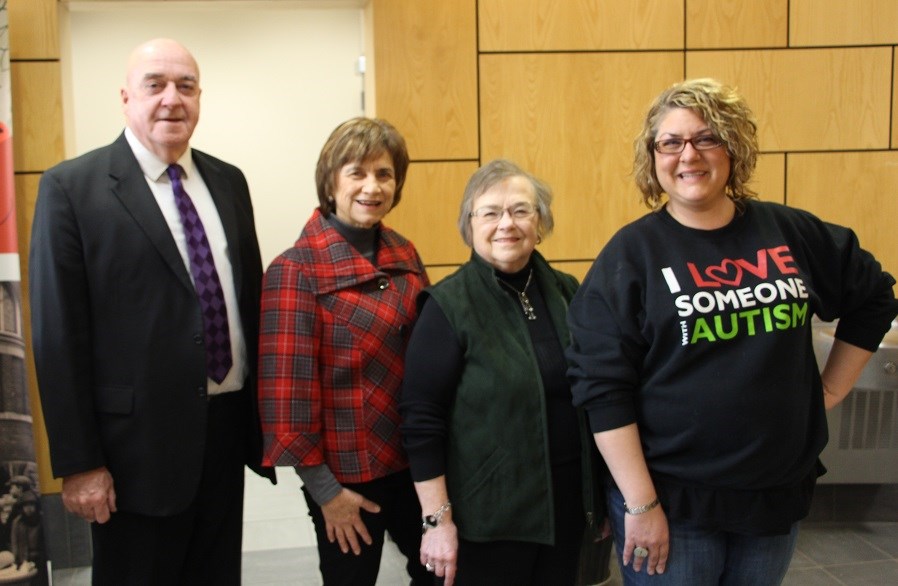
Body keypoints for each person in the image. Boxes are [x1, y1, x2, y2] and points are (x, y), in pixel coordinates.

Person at [566, 78, 898, 585]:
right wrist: (641, 503)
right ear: (653, 158)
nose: (688, 155)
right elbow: (601, 388)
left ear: (733, 146)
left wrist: (831, 387)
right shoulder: (631, 256)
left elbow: (873, 296)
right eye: (670, 142)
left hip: (774, 495)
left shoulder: (789, 232)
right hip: (674, 503)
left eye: (707, 137)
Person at [29, 38, 274, 585]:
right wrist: (79, 462)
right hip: (130, 454)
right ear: (125, 97)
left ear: (200, 98)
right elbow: (56, 337)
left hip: (223, 433)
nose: (171, 99)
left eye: (185, 86)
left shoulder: (228, 181)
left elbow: (248, 300)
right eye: (155, 84)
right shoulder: (71, 188)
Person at [399, 159, 609, 586]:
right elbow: (421, 421)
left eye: (521, 210)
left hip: (566, 510)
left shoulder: (568, 290)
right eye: (490, 212)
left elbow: (599, 397)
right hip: (488, 520)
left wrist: (600, 500)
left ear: (541, 221)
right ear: (469, 224)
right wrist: (436, 522)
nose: (506, 224)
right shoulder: (447, 306)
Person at [258, 117, 431, 585]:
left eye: (384, 174)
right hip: (346, 480)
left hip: (416, 466)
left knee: (441, 575)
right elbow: (285, 399)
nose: (372, 187)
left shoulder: (406, 255)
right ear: (331, 182)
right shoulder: (295, 270)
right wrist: (326, 494)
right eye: (357, 172)